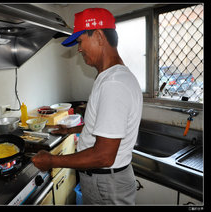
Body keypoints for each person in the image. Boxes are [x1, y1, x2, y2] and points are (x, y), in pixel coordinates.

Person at [31, 8, 143, 205]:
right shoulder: (110, 77)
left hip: (106, 183)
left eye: (80, 41)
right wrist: (72, 129)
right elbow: (104, 127)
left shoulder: (114, 84)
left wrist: (51, 161)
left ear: (99, 36)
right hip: (105, 181)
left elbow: (103, 156)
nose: (79, 49)